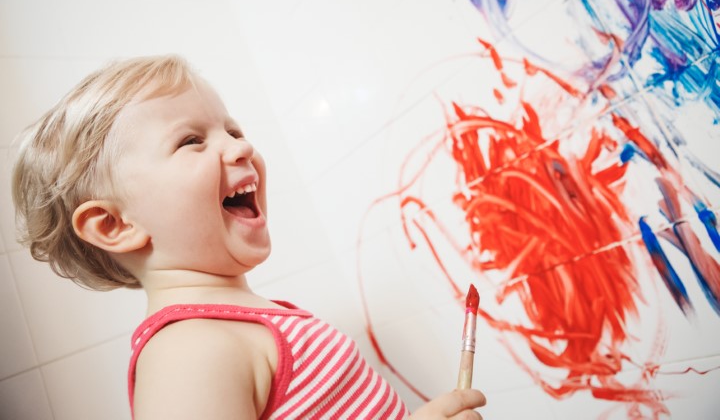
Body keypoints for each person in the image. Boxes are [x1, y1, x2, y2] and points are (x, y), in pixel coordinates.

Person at [12, 55, 487, 419]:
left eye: (232, 129)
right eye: (191, 140)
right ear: (116, 225)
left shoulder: (249, 324)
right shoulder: (189, 353)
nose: (242, 145)